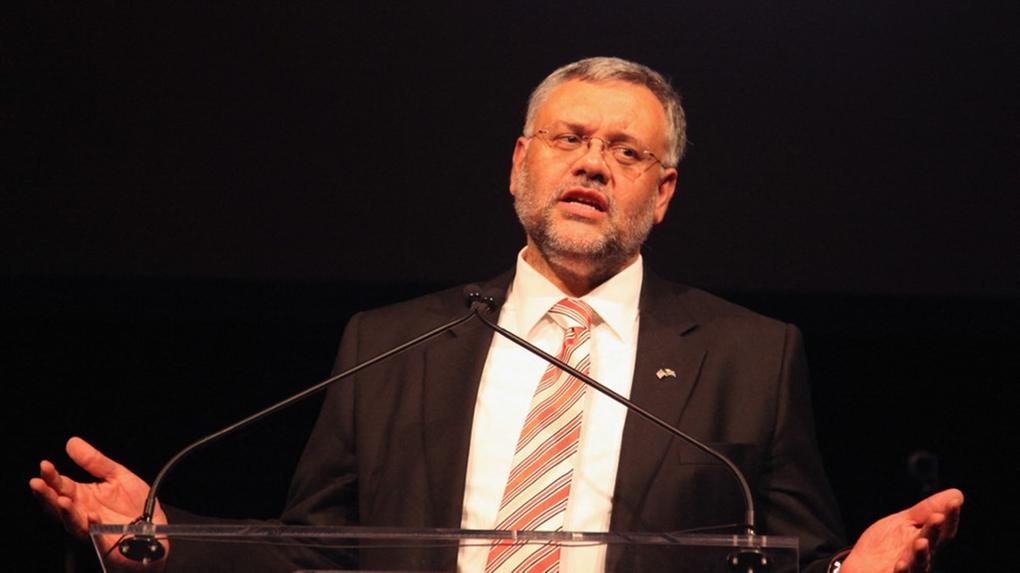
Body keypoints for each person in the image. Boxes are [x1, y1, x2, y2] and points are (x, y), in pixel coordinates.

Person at [31, 57, 963, 573]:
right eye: (570, 138)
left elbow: (787, 555)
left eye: (626, 151)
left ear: (664, 191)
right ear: (521, 164)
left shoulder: (750, 355)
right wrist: (168, 536)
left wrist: (852, 571)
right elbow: (321, 551)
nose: (592, 163)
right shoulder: (391, 343)